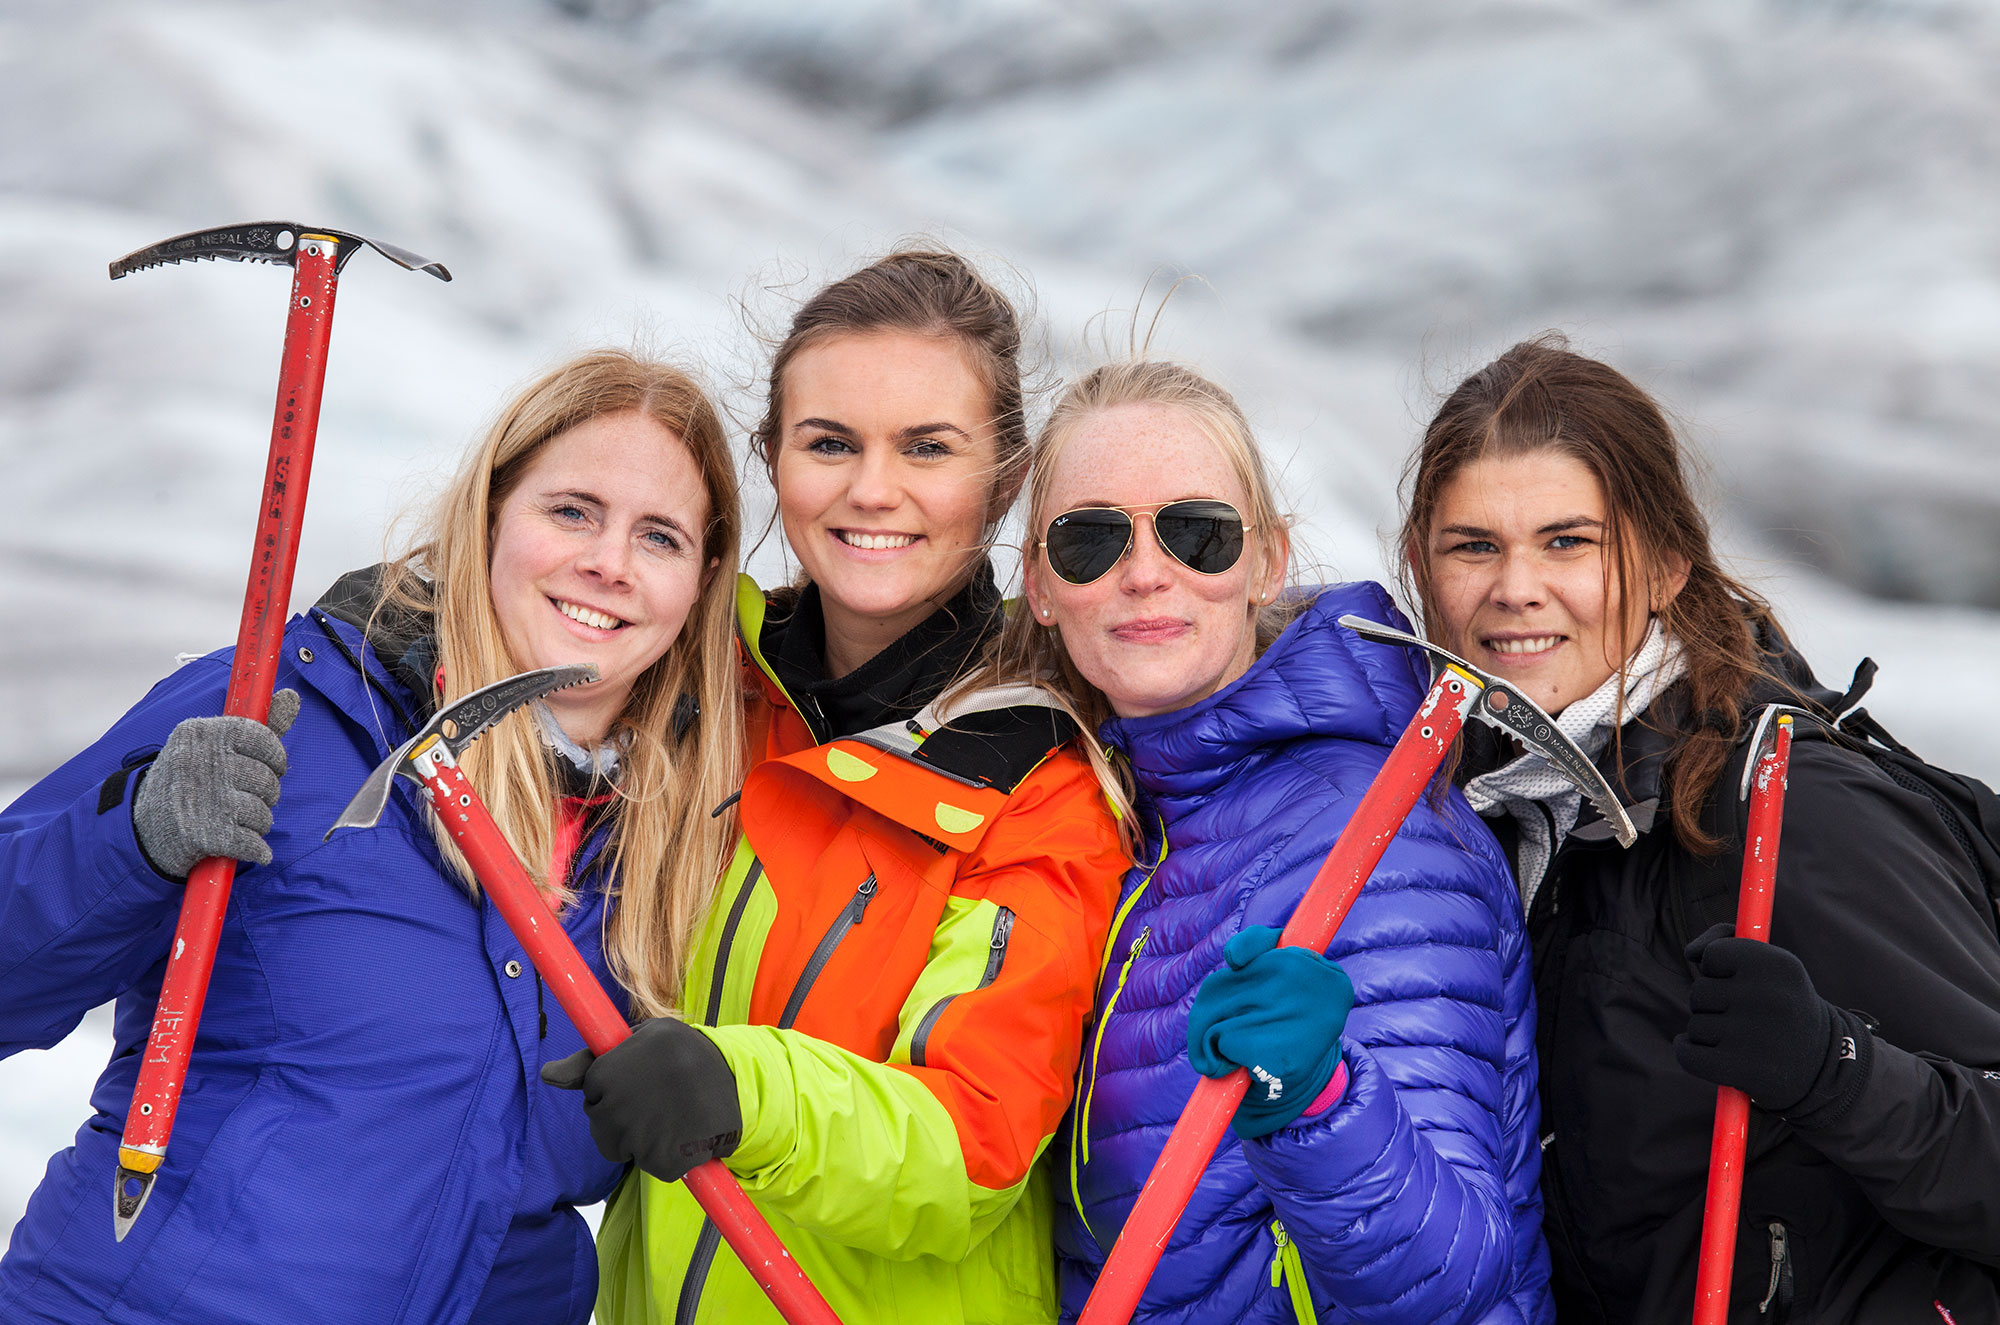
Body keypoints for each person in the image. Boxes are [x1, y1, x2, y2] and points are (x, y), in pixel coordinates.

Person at [0, 349, 745, 1325]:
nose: (609, 561)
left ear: (702, 582)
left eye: (659, 536)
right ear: (489, 516)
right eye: (572, 510)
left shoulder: (687, 840)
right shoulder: (283, 709)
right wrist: (132, 838)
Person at [563, 250, 1128, 1323]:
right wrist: (393, 638)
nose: (872, 489)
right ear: (771, 457)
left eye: (927, 447)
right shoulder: (707, 683)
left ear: (1006, 478)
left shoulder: (1038, 775)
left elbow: (973, 1142)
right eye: (829, 443)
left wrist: (744, 1093)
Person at [1401, 335, 2000, 1322]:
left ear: (1667, 563)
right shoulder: (1496, 812)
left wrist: (1836, 1072)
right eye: (1473, 545)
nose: (1514, 587)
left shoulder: (1786, 809)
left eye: (1567, 541)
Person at [1010, 360, 1553, 1323]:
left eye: (1198, 532)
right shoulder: (1097, 811)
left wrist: (1316, 1097)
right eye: (1090, 538)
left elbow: (1449, 1276)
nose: (1145, 572)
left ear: (1266, 562)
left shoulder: (1372, 835)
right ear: (1039, 584)